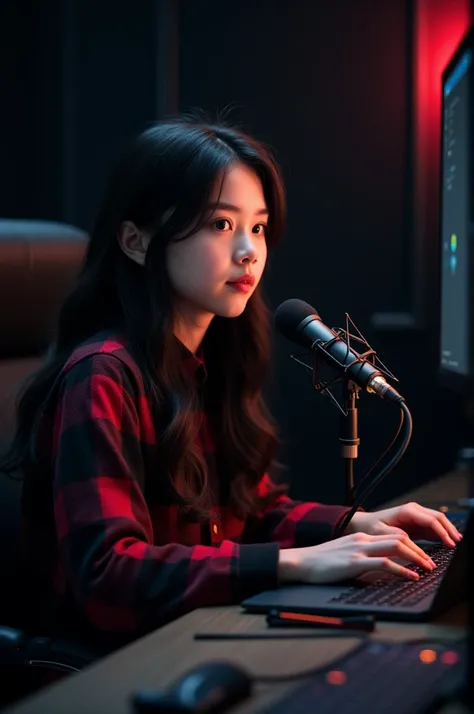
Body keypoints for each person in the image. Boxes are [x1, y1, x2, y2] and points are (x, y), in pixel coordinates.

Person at [1, 115, 462, 648]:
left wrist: (351, 527)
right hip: (109, 663)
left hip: (185, 634)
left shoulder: (211, 358)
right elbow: (108, 576)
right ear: (135, 241)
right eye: (221, 224)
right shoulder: (102, 375)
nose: (249, 251)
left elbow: (251, 513)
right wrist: (296, 564)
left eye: (259, 227)